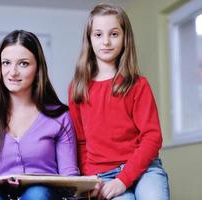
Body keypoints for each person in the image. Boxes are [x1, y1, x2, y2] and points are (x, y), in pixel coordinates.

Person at [68, 3, 170, 200]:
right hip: (102, 177)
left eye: (114, 34)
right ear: (89, 40)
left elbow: (152, 137)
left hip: (145, 170)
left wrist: (123, 180)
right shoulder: (77, 89)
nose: (106, 41)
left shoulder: (138, 85)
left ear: (125, 38)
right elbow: (80, 142)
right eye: (98, 35)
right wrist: (90, 180)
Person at [0, 30, 79, 200]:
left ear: (38, 69)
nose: (12, 72)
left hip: (44, 195)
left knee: (37, 194)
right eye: (6, 63)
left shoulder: (60, 117)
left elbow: (69, 178)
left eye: (23, 64)